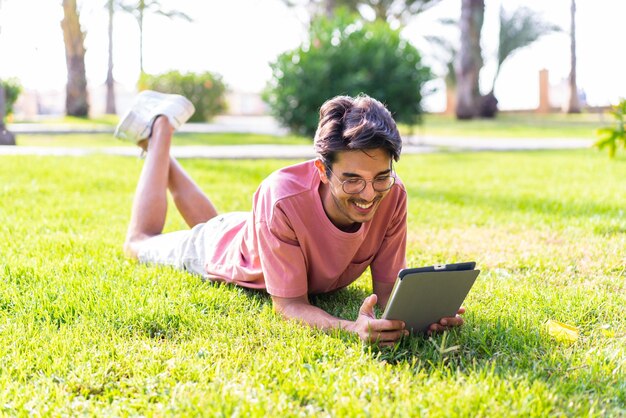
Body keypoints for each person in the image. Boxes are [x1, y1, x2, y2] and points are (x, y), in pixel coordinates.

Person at [117, 90, 464, 345]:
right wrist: (350, 328)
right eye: (352, 179)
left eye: (380, 177)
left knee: (218, 222)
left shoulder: (394, 194)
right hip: (217, 249)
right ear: (322, 170)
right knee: (140, 242)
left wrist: (425, 316)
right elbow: (291, 307)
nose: (370, 194)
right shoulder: (281, 198)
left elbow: (388, 296)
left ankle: (156, 150)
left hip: (255, 229)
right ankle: (161, 128)